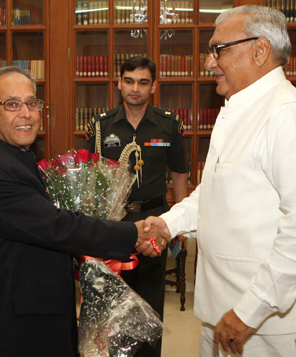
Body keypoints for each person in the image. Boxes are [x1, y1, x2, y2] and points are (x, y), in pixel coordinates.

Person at [144, 5, 296, 357]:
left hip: (270, 323)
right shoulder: (239, 108)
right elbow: (215, 191)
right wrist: (167, 223)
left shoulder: (286, 116)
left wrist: (250, 310)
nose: (209, 63)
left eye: (218, 50)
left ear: (260, 49)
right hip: (227, 310)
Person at [0, 66, 169, 357]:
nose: (26, 113)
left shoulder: (13, 157)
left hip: (31, 316)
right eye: (12, 104)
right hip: (10, 330)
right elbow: (56, 226)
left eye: (32, 103)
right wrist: (134, 233)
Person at [85, 56, 189, 356]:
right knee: (114, 301)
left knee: (151, 302)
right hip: (115, 223)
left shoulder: (168, 124)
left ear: (153, 86)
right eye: (129, 81)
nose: (135, 88)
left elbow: (180, 173)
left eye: (143, 82)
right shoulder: (102, 126)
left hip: (155, 221)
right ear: (119, 83)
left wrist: (178, 224)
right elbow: (92, 177)